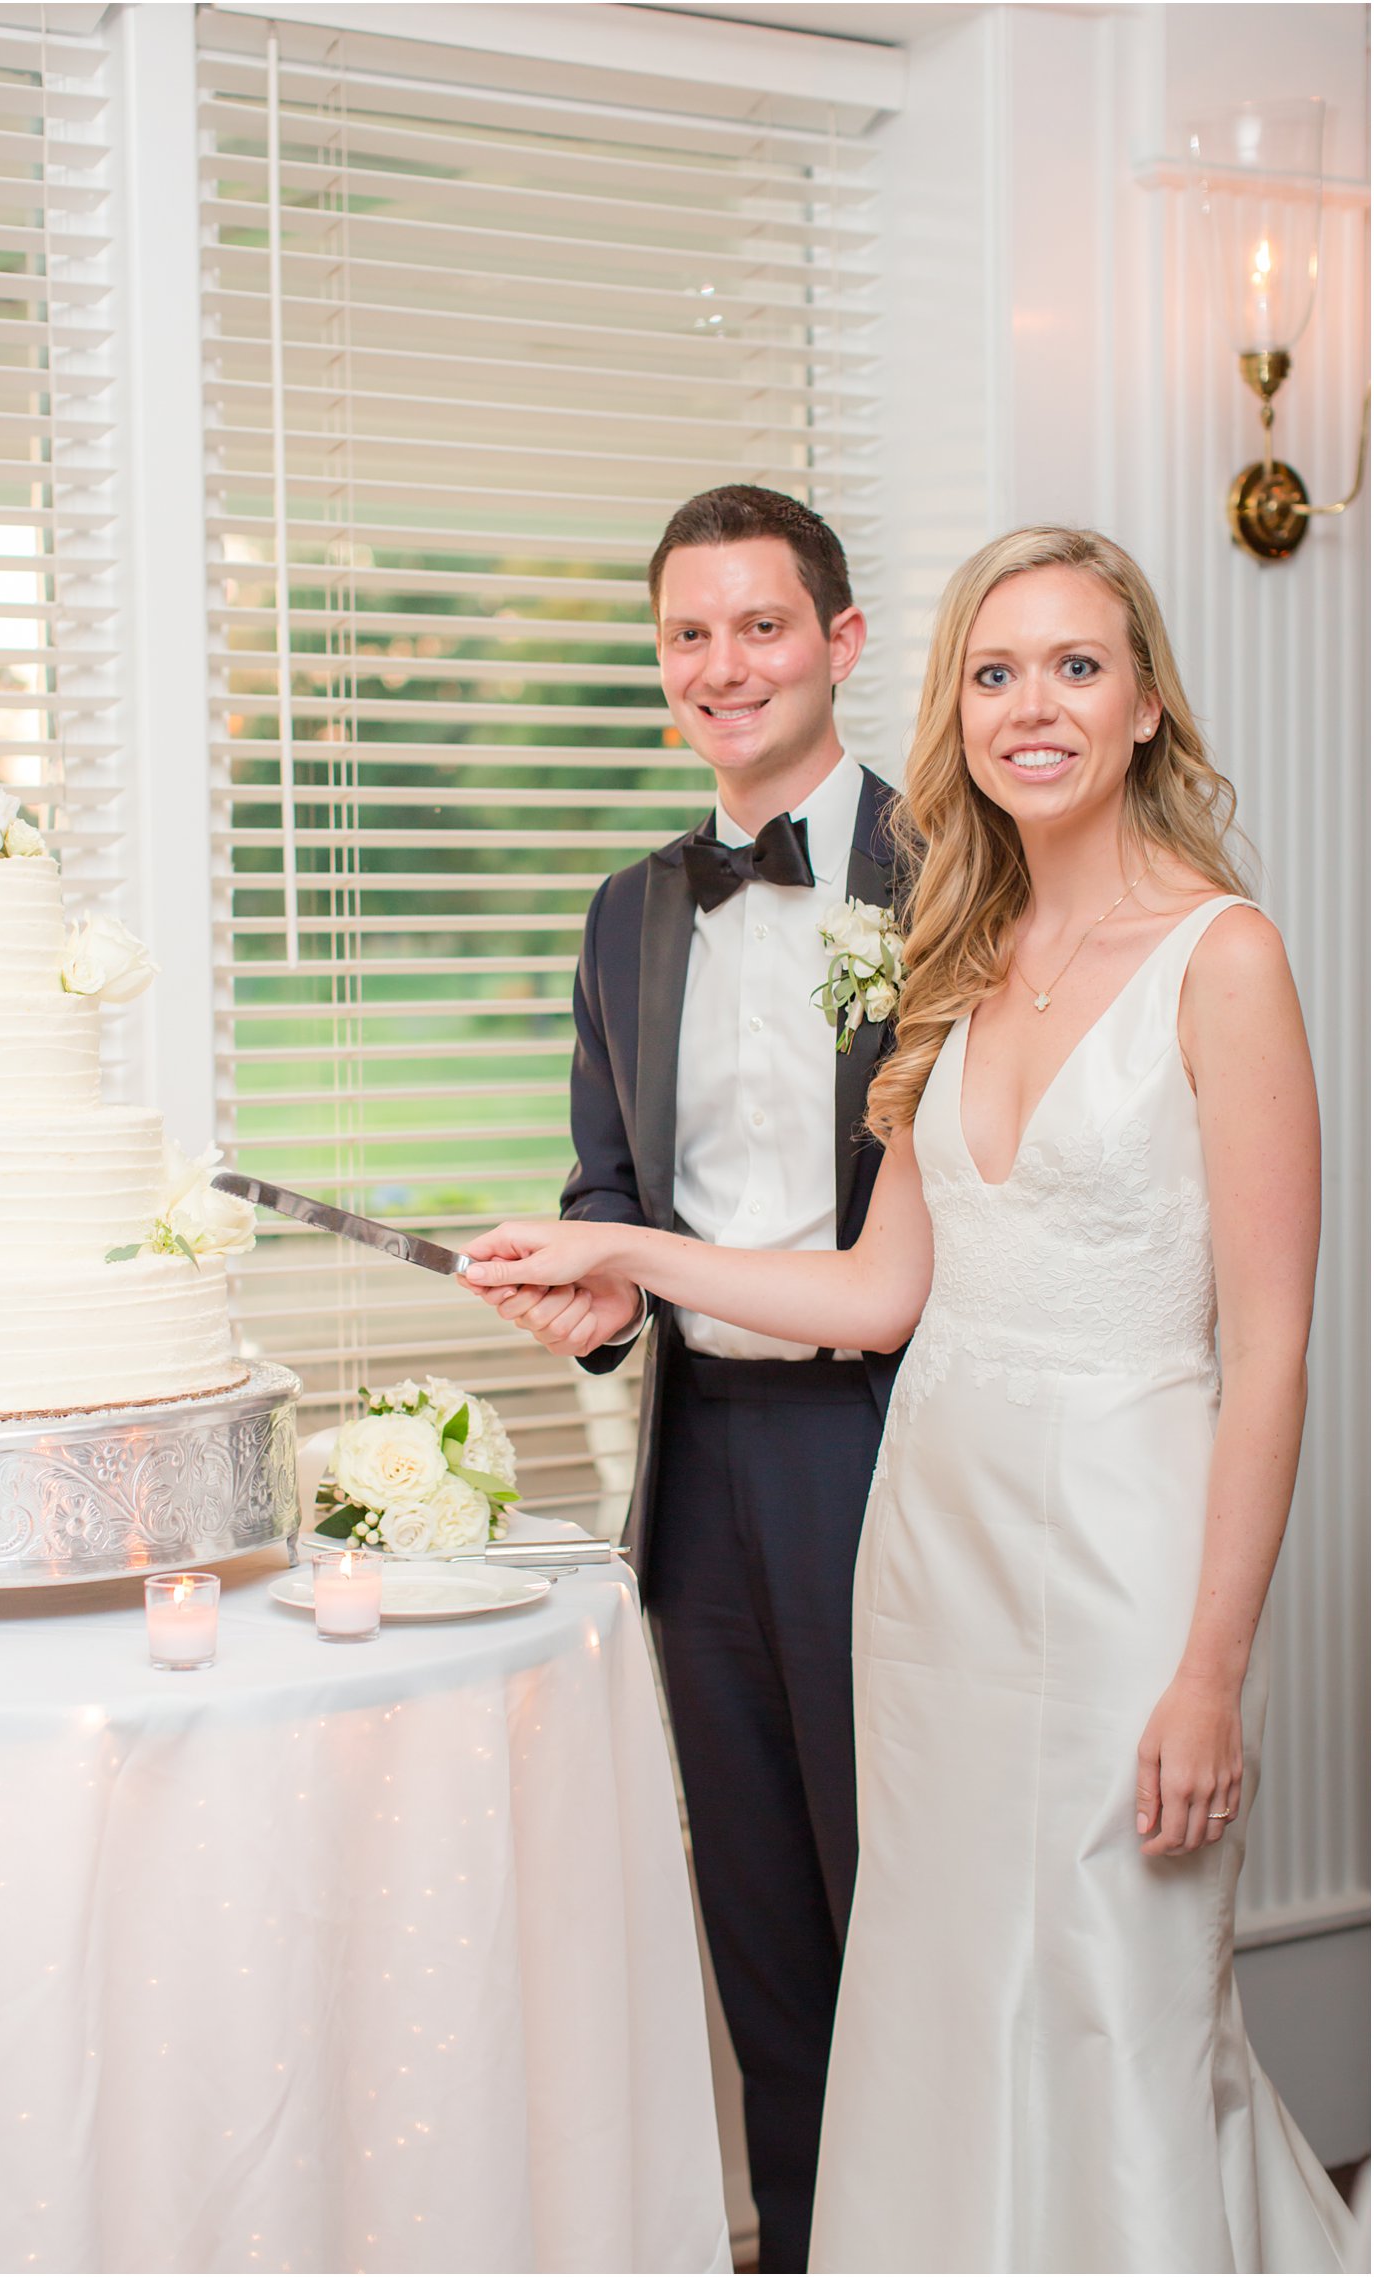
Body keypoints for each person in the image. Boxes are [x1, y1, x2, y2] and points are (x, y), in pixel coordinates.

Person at [466, 526, 1356, 2273]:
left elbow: (1272, 1351)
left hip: (1123, 1555)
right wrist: (633, 1258)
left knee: (1125, 1997)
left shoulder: (1226, 958)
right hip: (931, 1551)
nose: (1035, 706)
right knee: (940, 1997)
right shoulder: (953, 959)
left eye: (1079, 665)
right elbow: (877, 1288)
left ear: (1150, 700)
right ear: (955, 701)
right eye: (997, 671)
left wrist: (1207, 1672)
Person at [478, 484, 903, 2273]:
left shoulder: (956, 873)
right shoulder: (624, 913)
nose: (721, 666)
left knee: (916, 1906)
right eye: (686, 634)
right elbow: (613, 1196)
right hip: (703, 1471)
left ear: (841, 642)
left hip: (906, 1449)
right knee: (766, 1935)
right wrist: (596, 1300)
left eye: (760, 625)